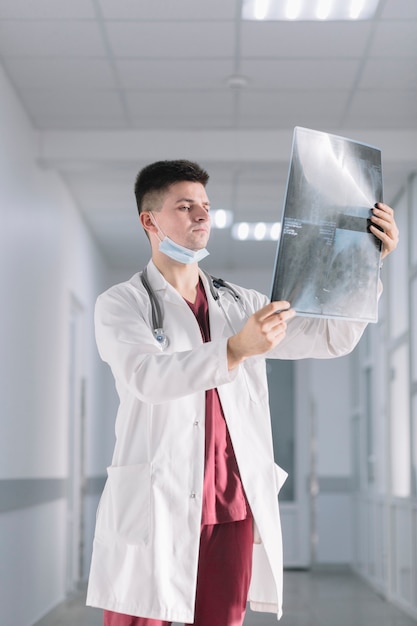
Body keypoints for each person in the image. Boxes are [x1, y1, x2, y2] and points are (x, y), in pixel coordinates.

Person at [86, 160, 399, 626]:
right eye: (185, 206)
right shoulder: (123, 303)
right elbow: (146, 377)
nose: (201, 217)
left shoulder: (241, 304)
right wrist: (234, 350)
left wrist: (365, 262)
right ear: (149, 221)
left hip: (231, 507)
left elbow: (332, 339)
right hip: (157, 506)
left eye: (206, 207)